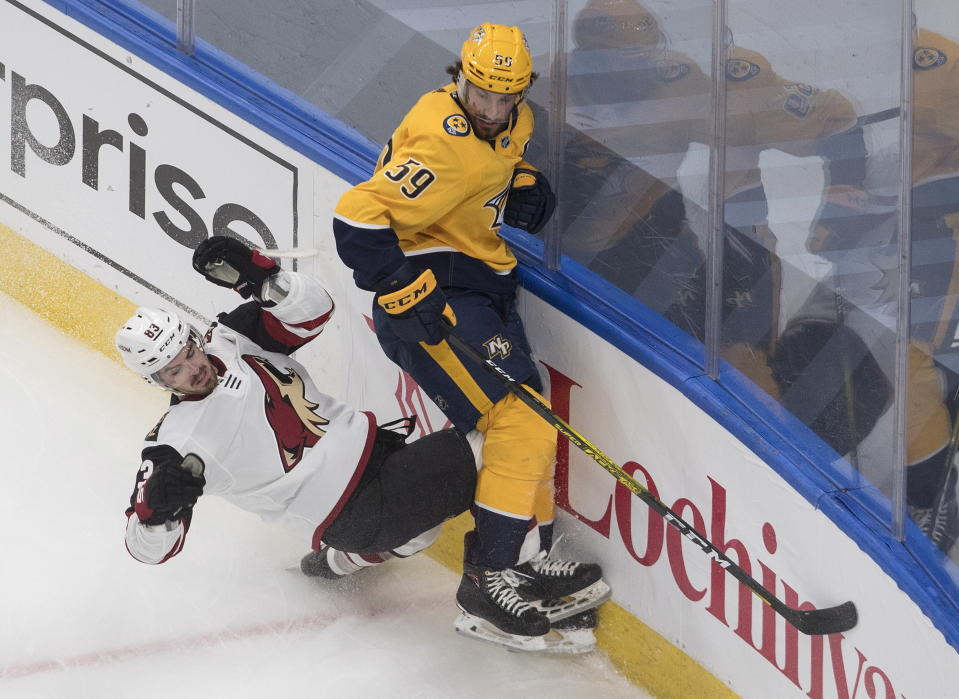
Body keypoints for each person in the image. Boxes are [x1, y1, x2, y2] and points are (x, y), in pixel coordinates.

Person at [331, 22, 609, 651]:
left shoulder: (516, 123)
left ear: (521, 92)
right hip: (433, 299)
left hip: (478, 283)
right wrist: (401, 289)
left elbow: (495, 161)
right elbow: (355, 216)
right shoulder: (440, 145)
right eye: (480, 93)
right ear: (461, 77)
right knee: (521, 422)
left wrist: (520, 181)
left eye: (503, 98)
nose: (490, 110)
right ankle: (490, 580)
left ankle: (528, 558)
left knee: (527, 417)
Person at [119, 235, 479, 586]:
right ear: (158, 381)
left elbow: (318, 312)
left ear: (194, 338)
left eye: (188, 353)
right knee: (491, 446)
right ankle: (487, 588)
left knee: (419, 533)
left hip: (381, 459)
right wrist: (155, 514)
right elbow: (145, 550)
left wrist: (265, 282)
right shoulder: (178, 442)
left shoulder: (233, 340)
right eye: (174, 370)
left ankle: (333, 565)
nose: (194, 369)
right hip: (357, 510)